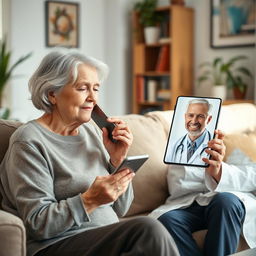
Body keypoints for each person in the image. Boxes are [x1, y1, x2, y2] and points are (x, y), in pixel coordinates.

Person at [0, 50, 180, 256]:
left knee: (151, 233)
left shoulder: (92, 132)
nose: (93, 98)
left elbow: (120, 209)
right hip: (55, 245)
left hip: (103, 238)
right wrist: (88, 200)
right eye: (82, 88)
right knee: (148, 229)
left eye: (96, 88)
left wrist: (117, 160)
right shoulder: (29, 141)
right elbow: (38, 223)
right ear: (52, 94)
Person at [150, 129, 256, 256]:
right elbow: (178, 183)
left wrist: (219, 171)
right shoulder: (182, 145)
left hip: (227, 198)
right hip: (190, 202)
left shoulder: (240, 151)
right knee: (167, 220)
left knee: (225, 201)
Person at [165, 99, 213, 165]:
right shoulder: (173, 145)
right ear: (185, 117)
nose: (194, 121)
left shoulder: (215, 146)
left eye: (200, 116)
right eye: (190, 115)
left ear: (209, 119)